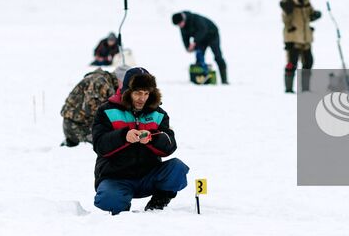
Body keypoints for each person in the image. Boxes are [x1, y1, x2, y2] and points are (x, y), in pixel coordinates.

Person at [92, 67, 189, 214]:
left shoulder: (159, 114)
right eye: (137, 93)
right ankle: (121, 207)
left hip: (149, 175)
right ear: (127, 92)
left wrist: (152, 139)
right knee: (108, 199)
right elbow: (100, 144)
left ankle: (158, 203)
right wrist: (124, 136)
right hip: (116, 177)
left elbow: (170, 144)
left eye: (146, 93)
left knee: (178, 168)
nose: (142, 98)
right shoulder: (106, 111)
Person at [61, 67, 120, 147]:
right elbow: (95, 110)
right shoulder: (101, 83)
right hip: (76, 127)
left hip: (73, 125)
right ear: (120, 79)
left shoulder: (103, 79)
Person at [281, 0, 322, 93]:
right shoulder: (287, 2)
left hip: (305, 38)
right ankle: (288, 88)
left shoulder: (306, 1)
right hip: (293, 39)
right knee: (291, 63)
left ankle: (305, 87)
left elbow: (310, 15)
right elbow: (285, 18)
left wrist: (315, 15)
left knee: (308, 62)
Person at [172, 11, 227, 84]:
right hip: (201, 40)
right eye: (178, 25)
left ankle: (224, 81)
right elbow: (184, 38)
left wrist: (195, 42)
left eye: (180, 24)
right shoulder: (182, 26)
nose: (179, 26)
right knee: (199, 58)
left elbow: (203, 29)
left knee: (218, 56)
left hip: (212, 35)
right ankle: (201, 79)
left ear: (183, 19)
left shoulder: (195, 19)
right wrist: (188, 47)